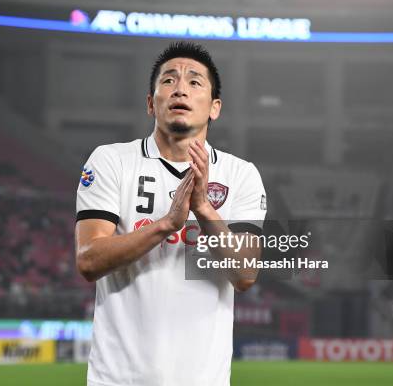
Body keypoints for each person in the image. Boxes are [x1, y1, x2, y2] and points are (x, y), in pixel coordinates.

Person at [75, 41, 267, 386]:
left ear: (214, 107)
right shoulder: (111, 161)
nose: (180, 87)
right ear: (151, 103)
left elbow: (245, 275)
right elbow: (88, 260)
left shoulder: (241, 175)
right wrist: (166, 225)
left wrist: (205, 210)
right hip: (118, 380)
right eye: (168, 80)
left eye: (195, 81)